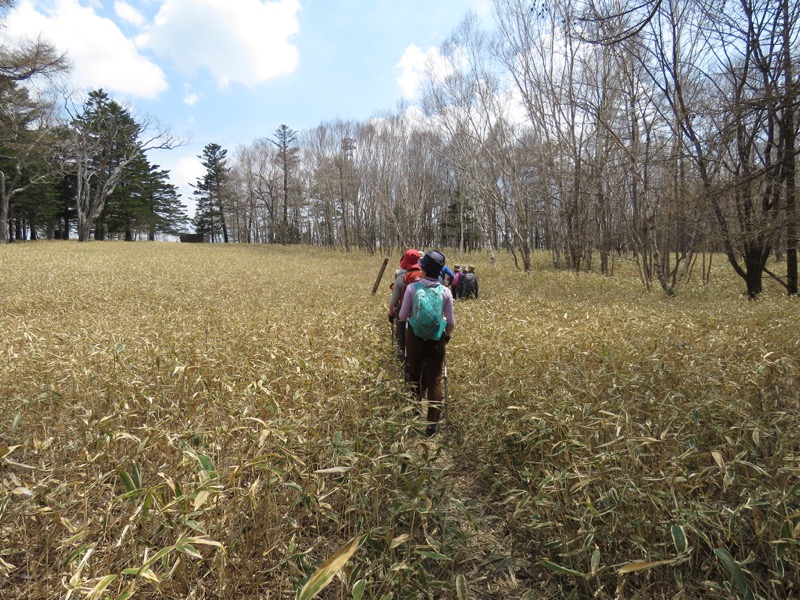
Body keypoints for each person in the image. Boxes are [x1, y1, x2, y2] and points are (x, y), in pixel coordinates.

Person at [398, 249, 455, 436]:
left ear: (423, 269)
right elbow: (451, 322)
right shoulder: (446, 292)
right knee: (435, 380)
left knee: (414, 374)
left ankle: (414, 412)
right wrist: (445, 335)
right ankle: (432, 425)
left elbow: (402, 316)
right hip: (437, 341)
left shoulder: (413, 288)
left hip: (415, 339)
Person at [388, 249, 422, 361]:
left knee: (401, 334)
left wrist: (391, 314)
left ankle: (402, 356)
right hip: (423, 312)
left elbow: (393, 302)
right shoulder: (425, 275)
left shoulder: (400, 278)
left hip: (405, 313)